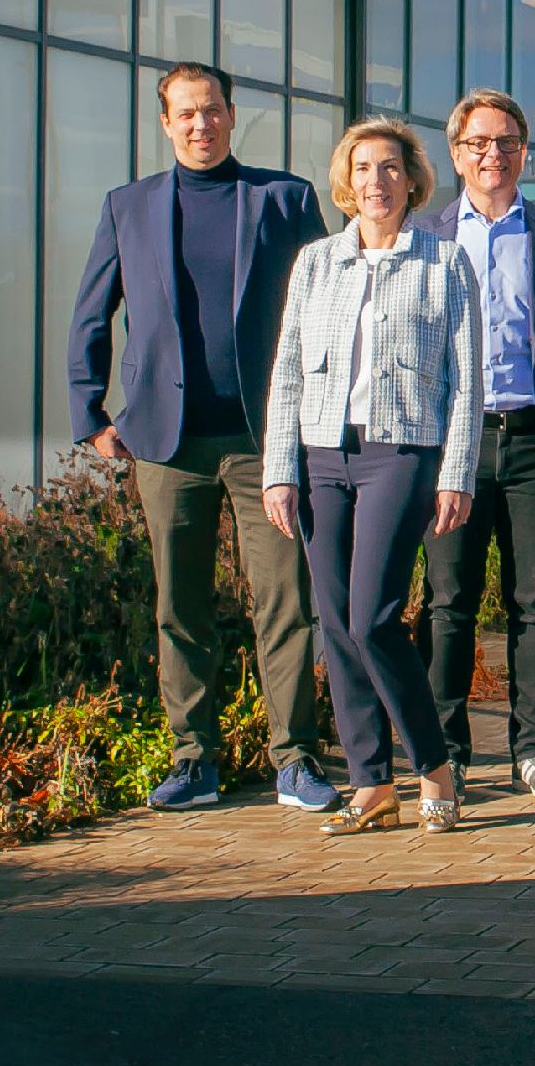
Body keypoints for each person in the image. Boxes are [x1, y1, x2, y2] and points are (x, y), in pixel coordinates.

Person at [68, 62, 338, 814]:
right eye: (185, 113)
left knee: (285, 599)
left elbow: (325, 309)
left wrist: (323, 414)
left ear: (230, 113)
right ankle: (194, 760)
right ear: (165, 122)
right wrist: (89, 409)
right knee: (180, 605)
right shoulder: (129, 207)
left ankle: (297, 758)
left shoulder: (283, 199)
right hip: (166, 440)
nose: (201, 124)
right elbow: (93, 312)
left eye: (212, 110)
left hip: (266, 441)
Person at [262, 118, 482, 835]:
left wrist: (456, 474)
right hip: (324, 452)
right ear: (346, 181)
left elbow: (465, 383)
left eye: (390, 168)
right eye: (363, 169)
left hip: (403, 451)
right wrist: (279, 471)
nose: (376, 182)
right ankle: (370, 783)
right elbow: (287, 371)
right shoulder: (317, 263)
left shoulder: (445, 264)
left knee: (373, 617)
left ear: (411, 179)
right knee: (333, 621)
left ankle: (435, 764)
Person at [417, 88, 535, 802]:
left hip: (534, 444)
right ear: (456, 153)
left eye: (505, 143)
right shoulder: (426, 236)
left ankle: (534, 749)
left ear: (523, 153)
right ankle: (448, 754)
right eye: (477, 143)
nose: (491, 154)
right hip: (454, 453)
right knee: (449, 603)